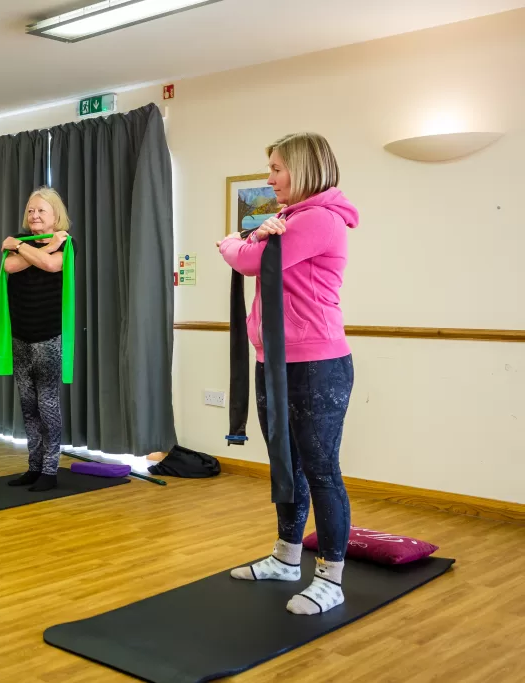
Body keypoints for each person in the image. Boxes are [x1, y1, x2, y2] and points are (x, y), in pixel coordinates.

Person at [217, 132, 359, 615]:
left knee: (320, 470)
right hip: (275, 359)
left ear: (303, 168)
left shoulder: (319, 219)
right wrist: (253, 236)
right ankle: (286, 557)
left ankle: (331, 579)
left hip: (317, 364)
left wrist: (235, 240)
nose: (270, 178)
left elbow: (251, 260)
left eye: (277, 168)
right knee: (287, 463)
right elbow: (256, 251)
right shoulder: (290, 218)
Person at [0, 187, 74, 493]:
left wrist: (22, 247)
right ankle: (33, 466)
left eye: (41, 210)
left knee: (47, 404)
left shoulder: (66, 243)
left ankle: (50, 470)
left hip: (48, 336)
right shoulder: (22, 241)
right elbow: (10, 266)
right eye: (31, 210)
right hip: (21, 335)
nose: (34, 215)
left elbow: (52, 265)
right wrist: (33, 248)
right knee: (28, 405)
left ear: (56, 215)